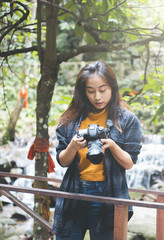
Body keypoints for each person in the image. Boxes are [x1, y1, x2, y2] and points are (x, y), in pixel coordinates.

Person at [53, 61, 143, 240]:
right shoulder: (70, 119)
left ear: (112, 88)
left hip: (108, 194)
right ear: (83, 91)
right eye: (91, 91)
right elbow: (63, 161)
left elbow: (129, 163)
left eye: (103, 90)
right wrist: (72, 146)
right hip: (74, 192)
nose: (97, 97)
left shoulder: (127, 120)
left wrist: (112, 146)